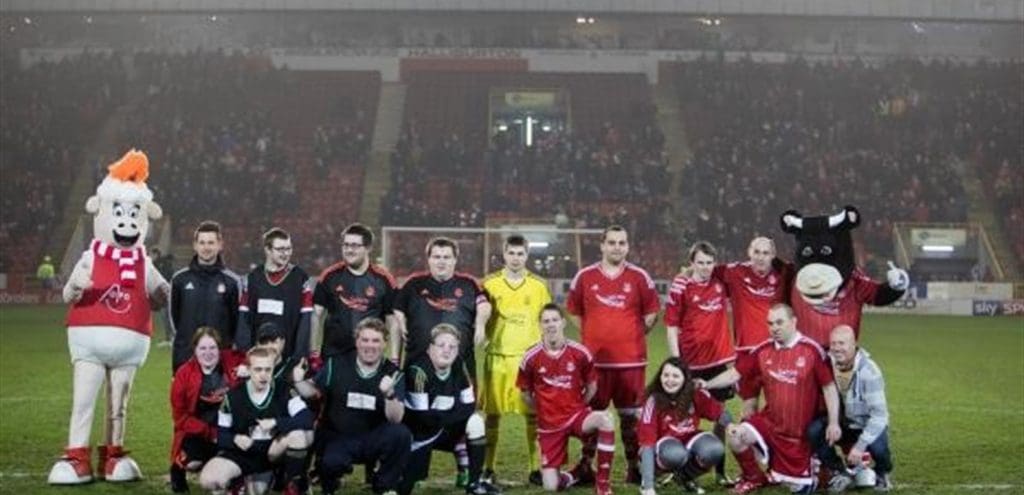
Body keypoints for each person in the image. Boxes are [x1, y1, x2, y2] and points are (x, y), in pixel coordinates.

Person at [696, 303, 841, 495]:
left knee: (800, 490)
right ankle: (753, 478)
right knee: (736, 436)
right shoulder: (763, 350)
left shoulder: (812, 351)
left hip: (799, 436)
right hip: (770, 425)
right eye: (770, 323)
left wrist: (833, 422)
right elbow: (734, 374)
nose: (774, 328)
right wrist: (707, 384)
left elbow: (829, 388)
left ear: (793, 322)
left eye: (780, 322)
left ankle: (816, 470)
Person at [393, 237, 490, 486]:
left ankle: (465, 469)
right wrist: (401, 320)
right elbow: (397, 307)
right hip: (418, 366)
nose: (441, 261)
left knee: (464, 415)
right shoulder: (414, 283)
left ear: (455, 259)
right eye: (436, 256)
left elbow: (484, 304)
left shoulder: (468, 283)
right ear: (428, 259)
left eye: (447, 257)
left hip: (460, 367)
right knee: (416, 417)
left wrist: (480, 323)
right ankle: (415, 469)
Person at [567, 225, 660, 484]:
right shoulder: (585, 276)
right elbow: (573, 311)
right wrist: (592, 334)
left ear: (627, 246)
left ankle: (634, 467)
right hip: (595, 363)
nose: (617, 247)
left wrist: (633, 335)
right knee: (593, 416)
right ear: (602, 245)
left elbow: (652, 313)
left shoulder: (640, 277)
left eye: (621, 243)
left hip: (631, 362)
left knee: (631, 418)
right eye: (612, 242)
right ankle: (585, 466)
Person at [292, 317, 410, 495]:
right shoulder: (336, 364)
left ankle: (385, 486)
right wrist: (298, 381)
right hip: (340, 436)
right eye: (365, 340)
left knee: (401, 434)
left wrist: (389, 394)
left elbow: (396, 418)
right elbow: (311, 392)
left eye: (376, 341)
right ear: (357, 341)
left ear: (385, 344)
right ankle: (330, 484)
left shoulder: (393, 374)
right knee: (330, 462)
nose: (370, 346)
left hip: (373, 438)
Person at [517, 304, 616, 495]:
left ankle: (603, 484)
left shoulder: (580, 352)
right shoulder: (530, 357)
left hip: (575, 416)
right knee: (551, 486)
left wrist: (580, 406)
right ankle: (577, 474)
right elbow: (525, 394)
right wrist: (543, 411)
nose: (551, 325)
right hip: (549, 426)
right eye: (546, 321)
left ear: (563, 323)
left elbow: (592, 386)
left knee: (605, 419)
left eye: (555, 320)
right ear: (540, 325)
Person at [480, 234, 552, 484]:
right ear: (504, 254)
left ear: (527, 256)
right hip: (497, 358)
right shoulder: (489, 284)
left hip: (528, 361)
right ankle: (488, 468)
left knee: (533, 415)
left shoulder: (538, 286)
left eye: (520, 253)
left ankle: (535, 469)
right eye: (511, 253)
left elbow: (547, 322)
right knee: (492, 415)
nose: (515, 258)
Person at [400, 324, 501, 495]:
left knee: (476, 421)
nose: (447, 350)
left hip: (444, 429)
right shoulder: (418, 370)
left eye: (452, 346)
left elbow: (470, 405)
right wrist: (454, 413)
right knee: (404, 487)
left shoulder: (459, 364)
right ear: (430, 348)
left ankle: (474, 483)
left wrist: (445, 416)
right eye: (441, 345)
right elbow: (422, 418)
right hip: (419, 437)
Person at [665, 241, 737, 484]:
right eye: (700, 263)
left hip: (718, 362)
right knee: (682, 416)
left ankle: (720, 472)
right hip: (690, 363)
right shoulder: (681, 286)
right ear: (692, 263)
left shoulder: (720, 282)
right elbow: (671, 326)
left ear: (714, 263)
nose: (705, 267)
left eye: (709, 263)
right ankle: (678, 467)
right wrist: (677, 363)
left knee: (721, 417)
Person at [198, 346, 314, 495]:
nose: (263, 375)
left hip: (273, 453)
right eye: (258, 370)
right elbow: (221, 435)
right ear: (248, 370)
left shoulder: (284, 390)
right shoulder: (233, 396)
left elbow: (307, 419)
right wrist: (235, 438)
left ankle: (291, 484)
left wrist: (276, 422)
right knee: (209, 479)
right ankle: (238, 481)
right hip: (243, 454)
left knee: (300, 435)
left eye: (268, 370)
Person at [807, 325, 893, 493]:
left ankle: (882, 472)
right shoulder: (826, 364)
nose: (836, 348)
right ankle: (839, 471)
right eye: (833, 344)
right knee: (814, 430)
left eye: (842, 343)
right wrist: (833, 423)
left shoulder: (869, 371)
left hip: (865, 424)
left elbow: (880, 416)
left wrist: (860, 446)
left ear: (854, 345)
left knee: (879, 447)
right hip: (842, 423)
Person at [637, 357, 732, 495]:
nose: (670, 380)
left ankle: (684, 477)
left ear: (685, 379)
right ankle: (650, 477)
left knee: (714, 449)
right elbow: (647, 444)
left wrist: (730, 426)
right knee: (675, 454)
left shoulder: (695, 394)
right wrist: (648, 487)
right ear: (660, 377)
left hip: (688, 439)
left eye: (675, 376)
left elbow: (721, 413)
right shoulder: (653, 400)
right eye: (666, 375)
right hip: (663, 446)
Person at [169, 327, 244, 492]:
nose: (208, 353)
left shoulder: (232, 361)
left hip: (227, 430)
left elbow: (257, 358)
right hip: (197, 431)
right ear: (195, 350)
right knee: (193, 463)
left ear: (219, 349)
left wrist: (246, 367)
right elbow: (180, 417)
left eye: (212, 348)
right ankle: (177, 468)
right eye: (202, 348)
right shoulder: (183, 374)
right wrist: (209, 433)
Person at [312, 223, 398, 360]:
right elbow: (315, 315)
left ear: (368, 248)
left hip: (370, 357)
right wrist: (313, 353)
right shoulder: (329, 276)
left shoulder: (384, 280)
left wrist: (394, 358)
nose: (349, 250)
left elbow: (393, 321)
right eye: (346, 245)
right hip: (333, 355)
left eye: (355, 246)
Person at [169, 221, 241, 373]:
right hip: (186, 356)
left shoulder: (232, 282)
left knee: (219, 390)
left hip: (220, 358)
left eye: (211, 243)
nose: (206, 247)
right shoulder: (180, 279)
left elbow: (237, 322)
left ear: (220, 245)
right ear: (195, 245)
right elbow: (174, 319)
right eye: (202, 243)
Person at [236, 228, 313, 360]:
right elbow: (244, 321)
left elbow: (305, 322)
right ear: (268, 249)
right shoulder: (253, 278)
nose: (286, 253)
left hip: (288, 357)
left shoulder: (300, 278)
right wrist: (245, 355)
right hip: (258, 358)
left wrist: (299, 357)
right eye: (280, 249)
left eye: (288, 249)